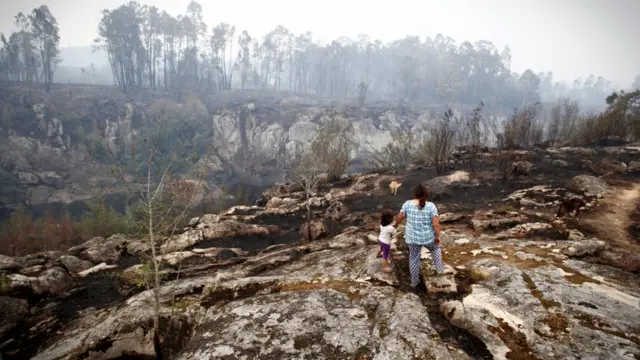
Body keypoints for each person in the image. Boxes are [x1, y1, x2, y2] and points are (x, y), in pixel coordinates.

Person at [394, 184, 445, 289]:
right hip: (428, 238)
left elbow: (400, 217)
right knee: (435, 249)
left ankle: (414, 282)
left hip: (412, 239)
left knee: (414, 258)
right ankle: (440, 271)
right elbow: (436, 224)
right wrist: (438, 236)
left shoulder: (407, 204)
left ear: (415, 194)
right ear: (426, 194)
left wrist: (395, 225)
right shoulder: (431, 206)